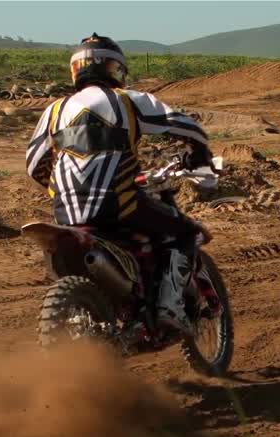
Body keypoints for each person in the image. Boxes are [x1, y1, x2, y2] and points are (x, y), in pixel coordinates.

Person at [25, 33, 213, 336]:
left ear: (76, 70)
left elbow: (34, 165)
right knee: (186, 233)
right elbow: (188, 127)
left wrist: (64, 187)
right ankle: (167, 308)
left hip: (65, 213)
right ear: (115, 68)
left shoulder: (54, 110)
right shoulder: (128, 100)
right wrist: (199, 154)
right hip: (118, 204)